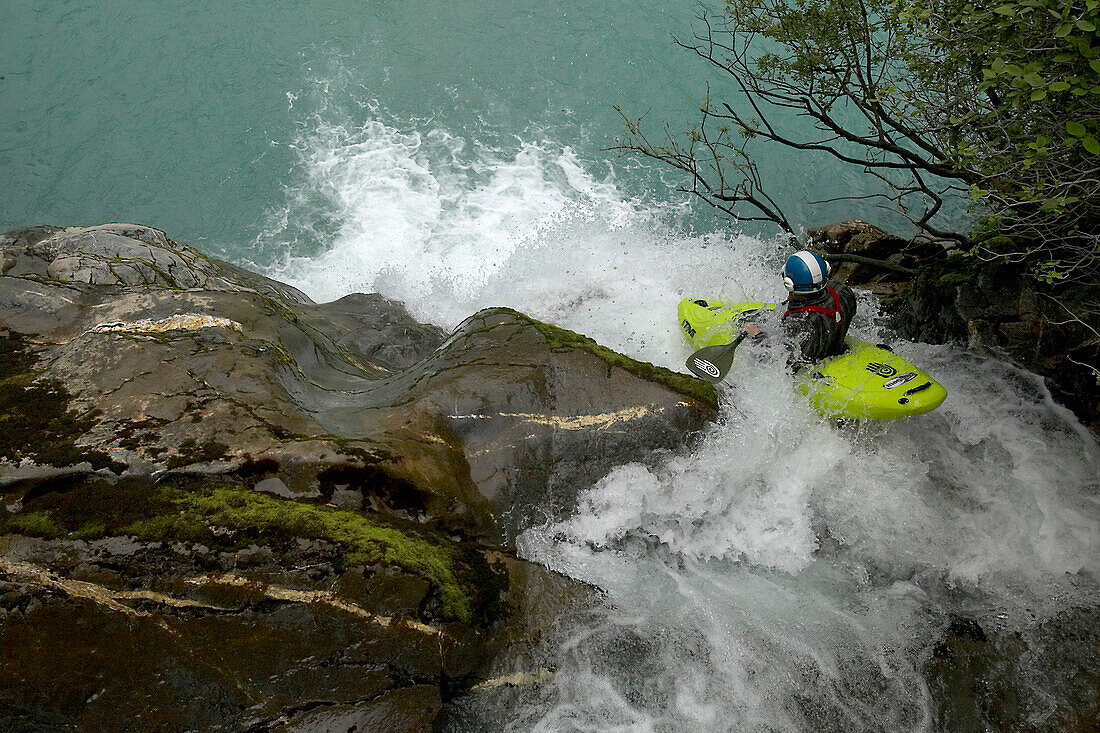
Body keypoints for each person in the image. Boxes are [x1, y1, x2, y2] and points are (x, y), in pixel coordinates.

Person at [743, 250, 856, 366]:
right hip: (836, 349)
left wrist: (758, 336)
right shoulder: (843, 291)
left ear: (789, 284)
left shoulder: (798, 322)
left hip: (813, 364)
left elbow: (778, 359)